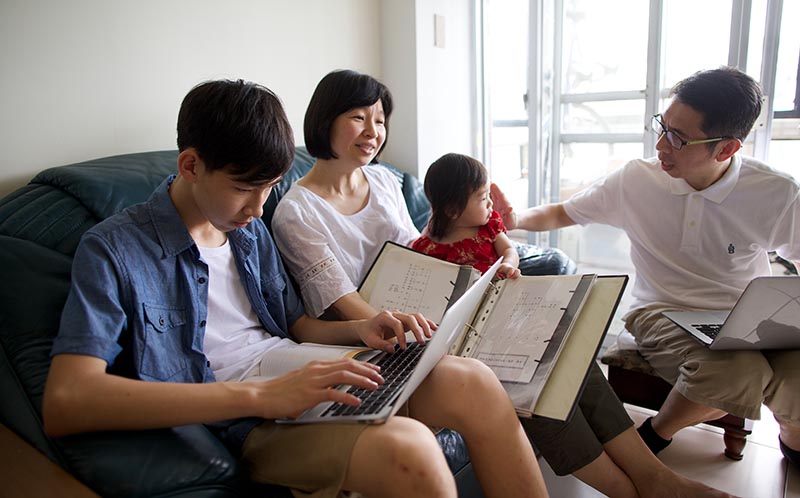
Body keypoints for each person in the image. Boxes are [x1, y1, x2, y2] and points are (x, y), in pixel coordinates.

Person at [42, 78, 547, 498]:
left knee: (474, 381)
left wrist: (362, 327)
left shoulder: (247, 230)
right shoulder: (113, 250)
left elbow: (295, 326)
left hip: (299, 370)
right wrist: (261, 395)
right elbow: (68, 400)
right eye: (244, 187)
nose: (259, 208)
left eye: (270, 187)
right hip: (245, 416)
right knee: (411, 450)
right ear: (191, 165)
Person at [273, 68, 735, 498]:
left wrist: (473, 285)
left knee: (562, 343)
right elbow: (340, 302)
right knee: (522, 375)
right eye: (358, 118)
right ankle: (638, 490)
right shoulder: (297, 211)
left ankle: (654, 477)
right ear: (323, 120)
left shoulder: (384, 181)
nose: (374, 132)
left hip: (434, 316)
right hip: (385, 337)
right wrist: (416, 323)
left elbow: (418, 255)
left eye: (380, 119)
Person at [491, 66, 800, 471]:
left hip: (744, 315)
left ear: (726, 149)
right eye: (663, 126)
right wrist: (514, 220)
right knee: (738, 373)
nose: (661, 145)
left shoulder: (775, 193)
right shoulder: (637, 181)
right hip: (661, 309)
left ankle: (792, 439)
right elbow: (563, 213)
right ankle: (654, 435)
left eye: (679, 138)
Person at [410, 152, 521, 279]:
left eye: (488, 195)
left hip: (497, 293)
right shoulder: (428, 248)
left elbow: (509, 250)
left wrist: (508, 264)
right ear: (453, 210)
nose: (490, 203)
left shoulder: (489, 226)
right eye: (484, 198)